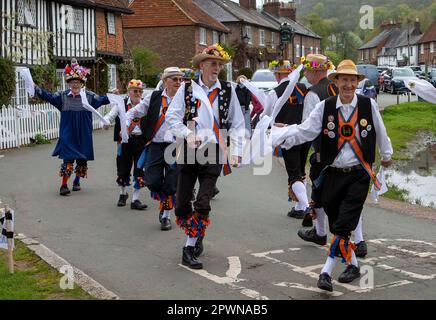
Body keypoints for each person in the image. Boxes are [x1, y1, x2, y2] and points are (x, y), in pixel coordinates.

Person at [273, 59, 393, 292]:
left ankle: (326, 271)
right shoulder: (325, 106)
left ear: (357, 83)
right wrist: (282, 136)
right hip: (332, 174)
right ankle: (354, 265)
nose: (348, 85)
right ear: (336, 81)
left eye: (352, 80)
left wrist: (386, 156)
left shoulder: (368, 105)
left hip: (359, 174)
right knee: (338, 222)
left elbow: (381, 132)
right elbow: (306, 130)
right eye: (344, 80)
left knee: (343, 223)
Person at [166, 44, 245, 269]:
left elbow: (238, 124)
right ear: (201, 65)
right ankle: (196, 231)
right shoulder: (187, 88)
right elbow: (172, 116)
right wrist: (187, 134)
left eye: (219, 64)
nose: (217, 68)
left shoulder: (228, 91)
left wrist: (237, 151)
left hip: (214, 150)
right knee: (181, 205)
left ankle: (189, 248)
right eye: (213, 63)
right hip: (189, 149)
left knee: (203, 202)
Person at [296, 55, 367, 257]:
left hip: (326, 157)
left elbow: (307, 130)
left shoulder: (313, 95)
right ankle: (359, 240)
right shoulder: (342, 91)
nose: (306, 74)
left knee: (322, 196)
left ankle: (321, 233)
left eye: (308, 70)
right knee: (352, 198)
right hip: (355, 155)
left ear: (317, 71)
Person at [35, 59, 110, 196]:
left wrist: (113, 95)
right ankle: (64, 185)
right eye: (73, 82)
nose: (75, 84)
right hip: (68, 132)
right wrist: (36, 89)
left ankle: (76, 181)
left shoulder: (89, 97)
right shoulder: (62, 97)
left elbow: (103, 100)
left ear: (82, 84)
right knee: (68, 158)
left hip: (83, 133)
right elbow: (49, 97)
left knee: (82, 159)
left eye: (78, 82)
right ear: (69, 83)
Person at [125, 68, 182, 231]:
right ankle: (165, 203)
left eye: (180, 79)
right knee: (152, 180)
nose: (178, 82)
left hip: (175, 146)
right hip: (155, 144)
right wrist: (126, 120)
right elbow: (136, 111)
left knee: (171, 183)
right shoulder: (154, 97)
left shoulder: (186, 98)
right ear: (165, 81)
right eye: (174, 79)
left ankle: (166, 215)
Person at [263, 60, 310, 220]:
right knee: (301, 170)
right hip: (305, 134)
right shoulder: (304, 89)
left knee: (294, 174)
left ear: (278, 74)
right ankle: (299, 206)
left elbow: (266, 116)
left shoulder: (274, 92)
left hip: (288, 136)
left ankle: (306, 207)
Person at [103, 79, 148, 210]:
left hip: (141, 141)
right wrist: (105, 122)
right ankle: (123, 194)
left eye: (140, 91)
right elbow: (110, 116)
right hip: (124, 142)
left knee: (139, 170)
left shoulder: (145, 105)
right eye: (135, 91)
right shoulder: (120, 104)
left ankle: (136, 199)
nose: (137, 93)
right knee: (123, 169)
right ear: (129, 91)